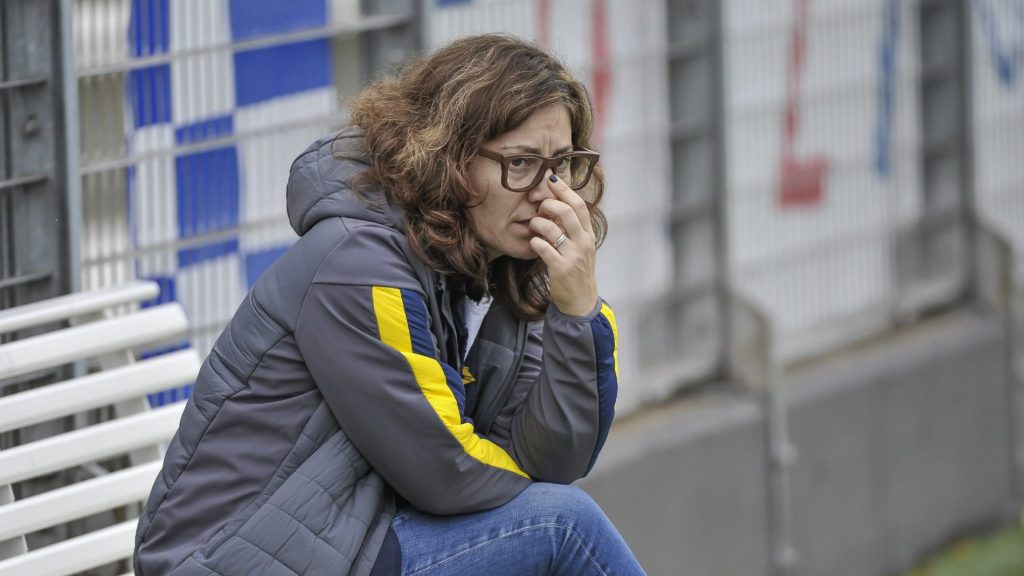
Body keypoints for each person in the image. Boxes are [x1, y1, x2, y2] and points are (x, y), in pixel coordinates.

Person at [133, 33, 645, 576]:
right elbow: (446, 471)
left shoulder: (495, 265)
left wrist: (578, 312)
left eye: (561, 164)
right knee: (563, 526)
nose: (547, 192)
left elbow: (556, 459)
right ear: (450, 158)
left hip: (351, 539)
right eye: (520, 163)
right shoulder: (358, 263)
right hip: (235, 559)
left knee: (553, 518)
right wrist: (528, 487)